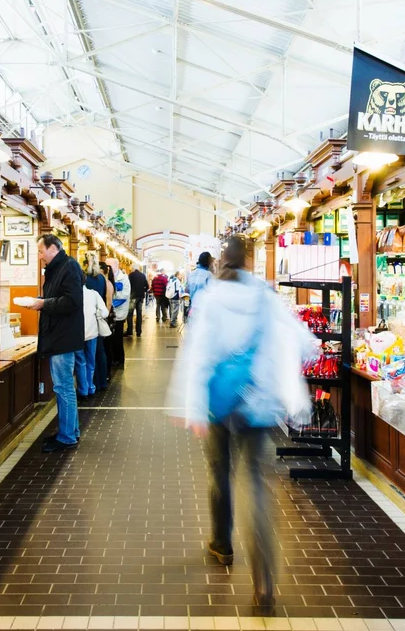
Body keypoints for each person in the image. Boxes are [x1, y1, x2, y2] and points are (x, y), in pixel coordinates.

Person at [169, 236, 317, 609]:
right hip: (260, 403)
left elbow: (197, 352)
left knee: (219, 473)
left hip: (219, 404)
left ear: (222, 261)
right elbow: (302, 342)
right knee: (256, 485)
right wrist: (284, 383)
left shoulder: (212, 298)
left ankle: (222, 544)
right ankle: (264, 581)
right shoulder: (266, 298)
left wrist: (192, 405)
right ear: (249, 260)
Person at [27, 234, 84, 453]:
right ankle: (69, 431)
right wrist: (42, 301)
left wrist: (43, 303)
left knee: (63, 387)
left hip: (63, 337)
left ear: (53, 248)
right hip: (59, 335)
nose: (40, 256)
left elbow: (72, 301)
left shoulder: (68, 267)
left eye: (41, 251)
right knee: (63, 387)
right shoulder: (58, 268)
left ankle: (67, 436)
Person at [77, 278, 109, 398]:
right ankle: (91, 387)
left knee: (80, 362)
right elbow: (105, 312)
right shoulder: (94, 294)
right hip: (92, 333)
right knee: (91, 361)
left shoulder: (72, 294)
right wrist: (96, 313)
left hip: (77, 334)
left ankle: (83, 390)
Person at [106, 258, 131, 369]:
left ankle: (119, 359)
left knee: (117, 337)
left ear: (116, 265)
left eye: (109, 266)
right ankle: (112, 358)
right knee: (109, 338)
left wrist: (110, 302)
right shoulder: (107, 277)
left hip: (118, 313)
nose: (108, 268)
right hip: (109, 313)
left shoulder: (123, 278)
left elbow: (124, 295)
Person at [96, 261, 113, 388]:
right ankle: (103, 374)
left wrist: (104, 316)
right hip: (103, 317)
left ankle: (105, 374)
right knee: (103, 347)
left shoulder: (106, 283)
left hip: (104, 318)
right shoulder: (104, 282)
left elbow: (108, 302)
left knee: (104, 347)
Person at [127, 265, 148, 337]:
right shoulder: (143, 275)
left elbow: (128, 285)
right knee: (139, 314)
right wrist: (143, 291)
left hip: (132, 297)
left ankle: (130, 331)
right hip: (140, 297)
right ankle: (138, 331)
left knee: (130, 314)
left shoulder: (131, 275)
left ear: (133, 268)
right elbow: (147, 286)